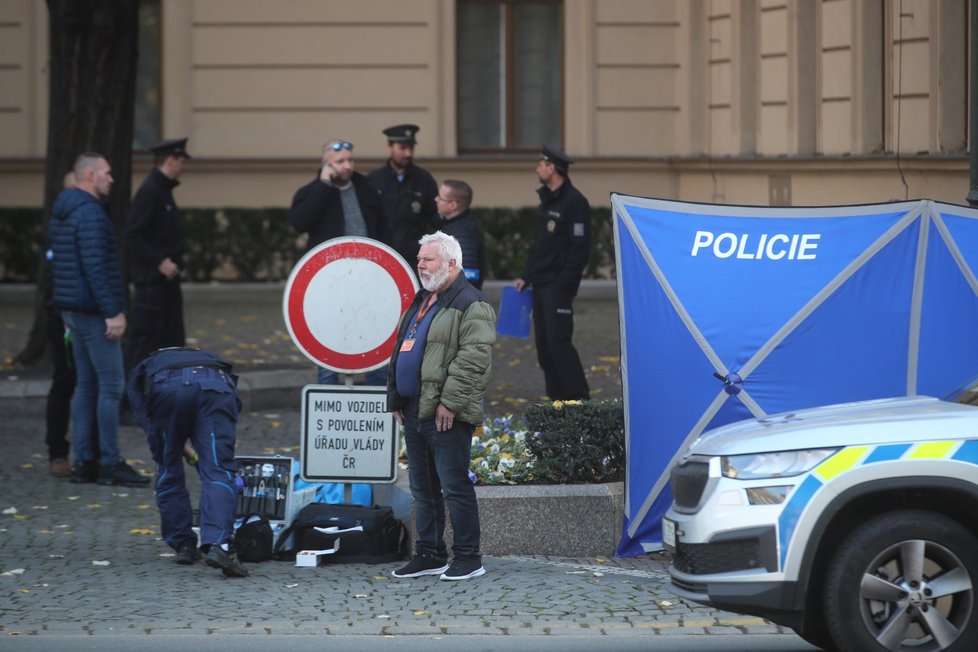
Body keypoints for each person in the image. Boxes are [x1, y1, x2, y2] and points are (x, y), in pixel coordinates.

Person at [387, 231, 496, 581]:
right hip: (415, 410)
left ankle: (468, 557)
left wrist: (449, 403)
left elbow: (474, 359)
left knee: (454, 487)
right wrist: (396, 397)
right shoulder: (422, 300)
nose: (420, 263)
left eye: (427, 259)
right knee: (423, 488)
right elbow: (399, 350)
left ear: (451, 263)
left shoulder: (472, 303)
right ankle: (430, 554)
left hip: (446, 413)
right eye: (419, 258)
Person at [47, 152, 148, 487]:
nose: (111, 178)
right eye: (106, 172)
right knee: (111, 386)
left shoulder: (64, 210)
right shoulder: (89, 213)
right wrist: (113, 312)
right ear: (89, 175)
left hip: (73, 311)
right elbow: (95, 269)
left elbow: (65, 265)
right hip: (92, 312)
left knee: (87, 386)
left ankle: (84, 462)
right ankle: (109, 462)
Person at [126, 347, 248, 577]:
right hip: (216, 387)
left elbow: (145, 414)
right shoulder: (210, 356)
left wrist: (169, 445)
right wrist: (194, 452)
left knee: (168, 467)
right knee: (219, 471)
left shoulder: (147, 365)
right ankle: (220, 545)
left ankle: (184, 544)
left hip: (166, 390)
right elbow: (232, 401)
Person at [290, 138, 392, 386]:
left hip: (369, 280)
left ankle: (377, 402)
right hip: (329, 284)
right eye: (340, 161)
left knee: (376, 339)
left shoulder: (367, 188)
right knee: (329, 342)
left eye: (350, 160)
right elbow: (300, 223)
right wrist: (324, 185)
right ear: (327, 163)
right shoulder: (310, 192)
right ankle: (328, 397)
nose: (347, 165)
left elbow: (384, 230)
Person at [514, 144, 592, 401]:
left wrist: (564, 283)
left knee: (559, 343)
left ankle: (579, 399)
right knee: (545, 348)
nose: (537, 168)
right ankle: (557, 401)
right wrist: (527, 275)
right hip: (540, 283)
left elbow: (580, 249)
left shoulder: (574, 202)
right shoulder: (548, 199)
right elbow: (541, 245)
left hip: (557, 285)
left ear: (552, 168)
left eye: (541, 164)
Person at [44, 171, 99, 477]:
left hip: (75, 311)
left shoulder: (77, 220)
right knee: (66, 380)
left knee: (87, 382)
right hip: (62, 313)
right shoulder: (64, 224)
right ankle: (58, 450)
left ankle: (88, 451)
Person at [124, 137, 191, 373]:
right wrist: (160, 262)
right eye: (181, 160)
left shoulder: (162, 190)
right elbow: (133, 234)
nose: (182, 165)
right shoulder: (151, 191)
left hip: (166, 284)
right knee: (144, 343)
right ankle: (129, 400)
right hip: (152, 285)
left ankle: (161, 396)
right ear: (171, 160)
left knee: (171, 342)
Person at [367, 124, 439, 269]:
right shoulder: (374, 179)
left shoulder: (424, 179)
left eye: (411, 148)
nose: (408, 154)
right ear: (390, 146)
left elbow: (436, 219)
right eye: (402, 148)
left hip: (415, 259)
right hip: (381, 257)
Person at [434, 179, 486, 290]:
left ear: (453, 205)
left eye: (440, 197)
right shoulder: (454, 225)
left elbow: (468, 273)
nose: (436, 199)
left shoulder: (463, 231)